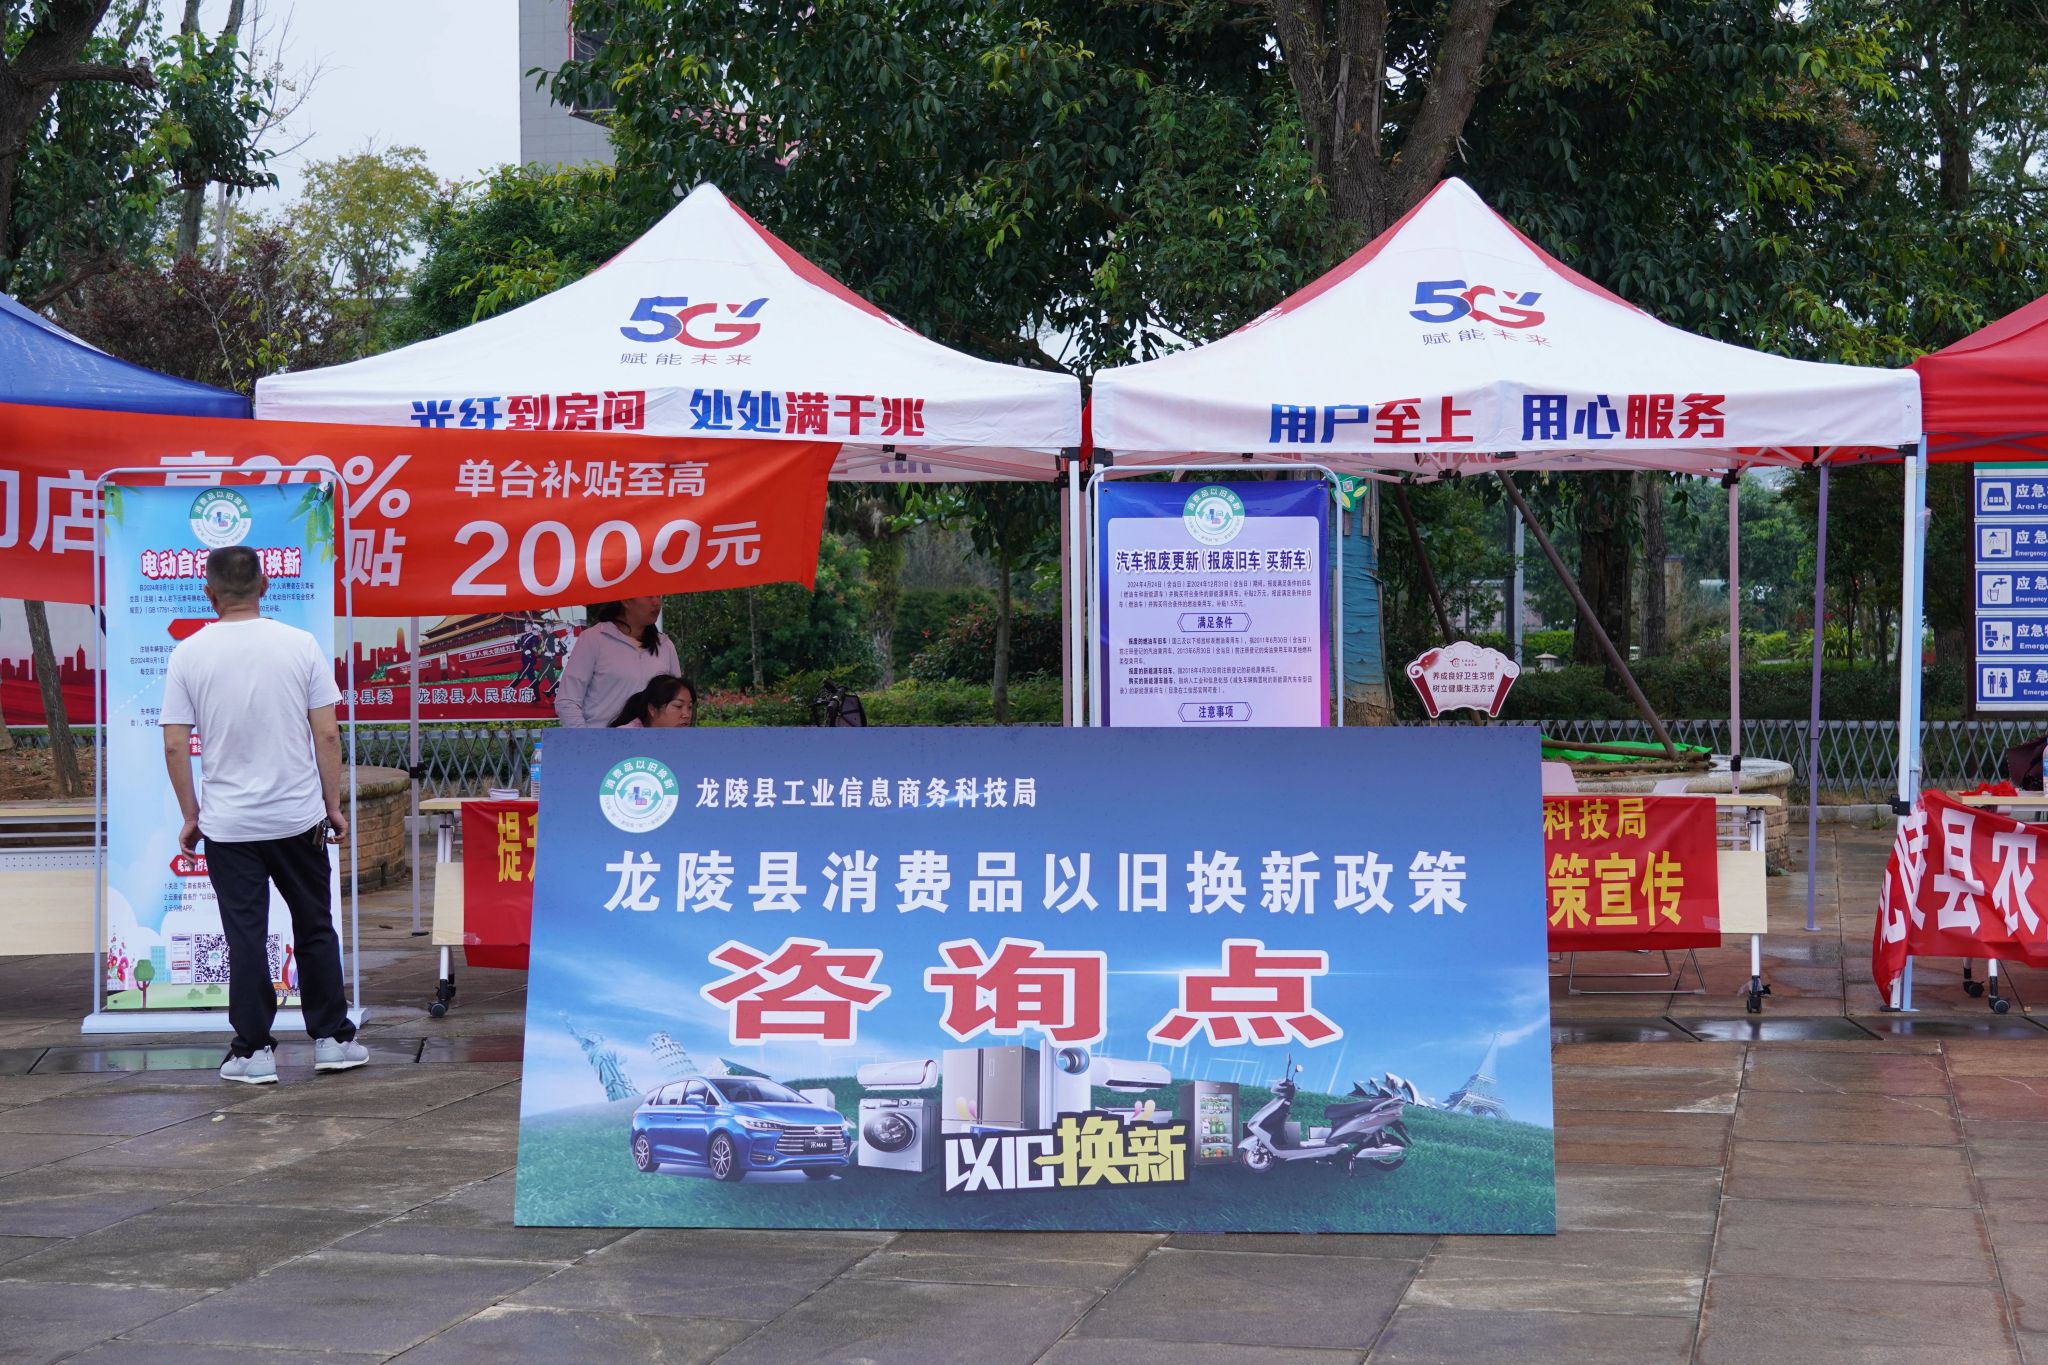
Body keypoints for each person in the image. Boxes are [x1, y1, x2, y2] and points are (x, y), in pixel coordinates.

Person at [160, 545, 366, 1086]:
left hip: (228, 826)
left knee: (245, 936)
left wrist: (191, 814)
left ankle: (252, 1052)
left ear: (209, 593)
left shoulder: (189, 654)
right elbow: (327, 734)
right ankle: (332, 1040)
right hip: (298, 818)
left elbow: (175, 745)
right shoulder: (300, 645)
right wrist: (332, 807)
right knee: (314, 925)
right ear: (265, 587)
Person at [554, 597, 679, 727]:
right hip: (602, 737)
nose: (657, 603)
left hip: (654, 739)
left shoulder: (665, 645)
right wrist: (587, 738)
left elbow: (678, 700)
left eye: (659, 596)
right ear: (626, 600)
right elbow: (567, 701)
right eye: (649, 596)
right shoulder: (593, 639)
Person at [609, 676, 698, 729]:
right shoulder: (623, 738)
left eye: (690, 707)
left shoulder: (687, 741)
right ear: (653, 709)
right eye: (678, 706)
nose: (687, 715)